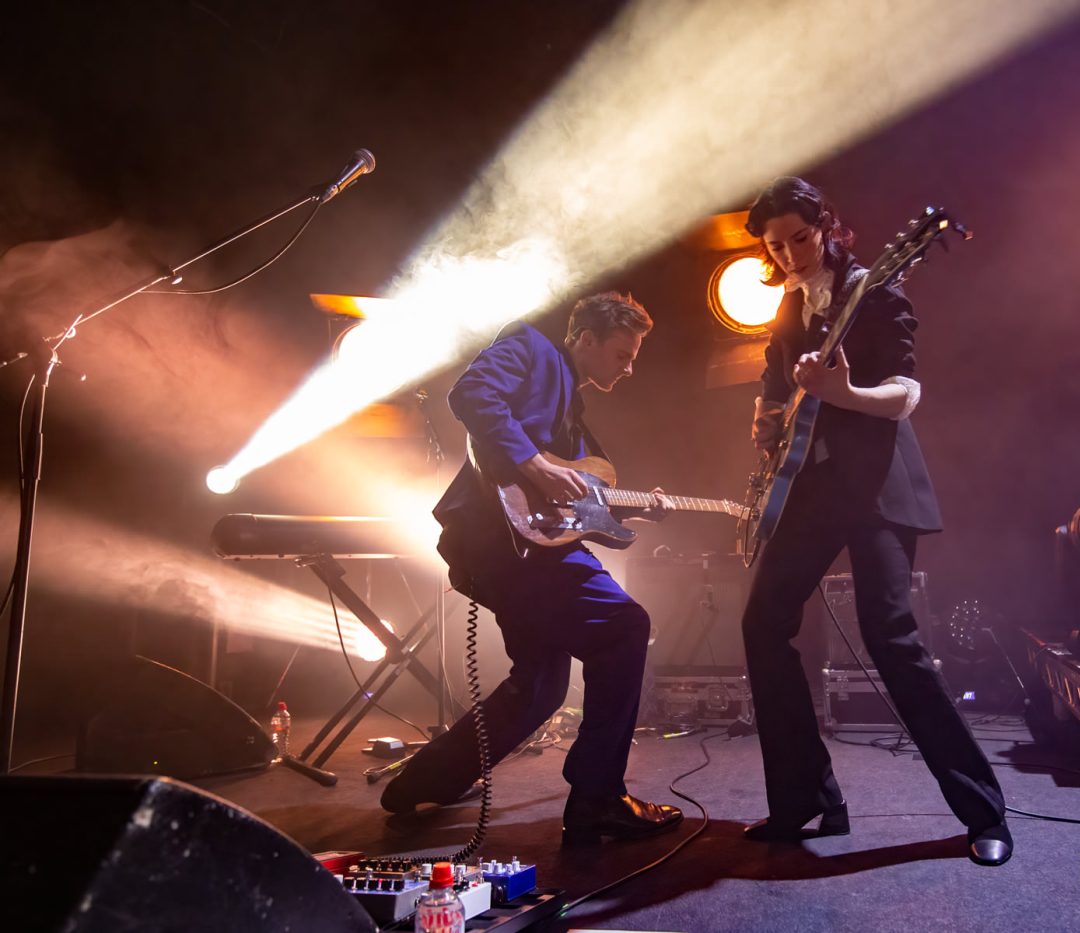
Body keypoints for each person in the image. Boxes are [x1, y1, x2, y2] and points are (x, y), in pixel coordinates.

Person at [737, 177, 1012, 866]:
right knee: (761, 622)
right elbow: (775, 397)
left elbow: (905, 394)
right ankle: (806, 799)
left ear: (826, 226)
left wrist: (845, 391)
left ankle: (983, 813)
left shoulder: (876, 289)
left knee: (891, 638)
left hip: (879, 486)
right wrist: (769, 428)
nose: (792, 253)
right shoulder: (785, 312)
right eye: (777, 245)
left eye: (801, 237)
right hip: (811, 489)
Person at [380, 291, 683, 844]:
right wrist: (533, 461)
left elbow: (575, 501)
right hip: (503, 542)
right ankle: (597, 799)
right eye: (622, 354)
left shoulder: (574, 412)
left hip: (521, 545)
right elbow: (470, 392)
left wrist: (635, 506)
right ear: (586, 339)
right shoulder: (533, 345)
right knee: (624, 627)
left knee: (540, 685)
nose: (631, 367)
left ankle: (421, 783)